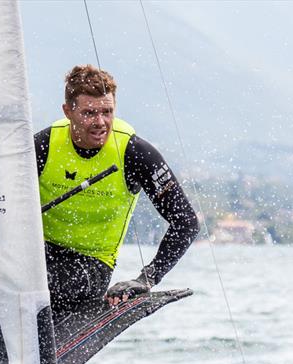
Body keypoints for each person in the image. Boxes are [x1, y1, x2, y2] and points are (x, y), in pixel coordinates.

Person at [36, 65, 198, 314]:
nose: (100, 122)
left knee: (37, 284)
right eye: (89, 113)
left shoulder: (134, 152)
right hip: (37, 253)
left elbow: (186, 222)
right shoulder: (43, 145)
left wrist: (147, 279)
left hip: (91, 263)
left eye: (107, 112)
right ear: (68, 111)